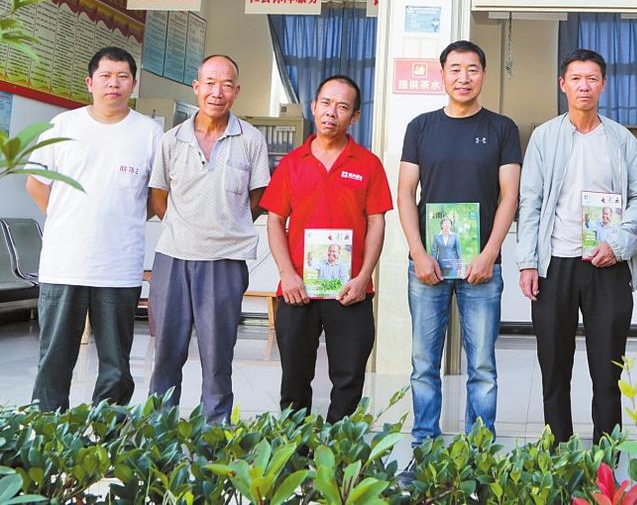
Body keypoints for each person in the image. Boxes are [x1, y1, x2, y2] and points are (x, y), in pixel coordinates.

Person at [517, 48, 637, 444]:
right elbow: (530, 202)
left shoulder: (622, 140)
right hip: (555, 264)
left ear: (604, 85)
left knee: (607, 369)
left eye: (592, 78)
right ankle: (559, 450)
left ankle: (606, 452)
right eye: (576, 78)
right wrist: (527, 262)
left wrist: (618, 243)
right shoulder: (545, 137)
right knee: (554, 366)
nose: (584, 86)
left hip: (606, 264)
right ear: (563, 84)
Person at [399, 40, 521, 455]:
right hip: (427, 265)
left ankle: (478, 451)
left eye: (472, 69)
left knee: (482, 365)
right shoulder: (420, 127)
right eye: (455, 69)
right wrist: (418, 253)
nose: (463, 77)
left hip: (481, 267)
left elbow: (509, 196)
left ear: (483, 75)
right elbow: (405, 193)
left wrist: (489, 253)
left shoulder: (502, 128)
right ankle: (424, 447)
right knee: (423, 364)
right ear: (442, 75)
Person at [27, 47, 162, 411]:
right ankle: (49, 428)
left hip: (119, 267)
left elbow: (155, 197)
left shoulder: (150, 133)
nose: (113, 84)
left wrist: (120, 220)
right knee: (55, 358)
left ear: (133, 84)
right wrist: (68, 220)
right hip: (64, 264)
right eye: (105, 76)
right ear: (90, 83)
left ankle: (107, 431)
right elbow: (36, 184)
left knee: (116, 364)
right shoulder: (62, 126)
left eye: (122, 77)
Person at [261, 75, 392, 423]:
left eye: (342, 107)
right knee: (294, 381)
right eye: (326, 103)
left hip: (350, 291)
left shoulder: (368, 164)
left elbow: (377, 223)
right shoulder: (292, 163)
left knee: (349, 379)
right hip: (298, 291)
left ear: (355, 116)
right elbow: (275, 221)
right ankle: (294, 450)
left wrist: (364, 277)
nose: (332, 112)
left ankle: (338, 449)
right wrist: (287, 275)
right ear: (314, 106)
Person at [148, 54, 270, 424]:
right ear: (196, 87)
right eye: (210, 83)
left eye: (226, 85)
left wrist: (227, 226)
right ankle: (160, 429)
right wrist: (184, 228)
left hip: (225, 261)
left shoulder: (251, 139)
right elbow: (158, 195)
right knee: (166, 351)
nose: (218, 92)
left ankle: (214, 431)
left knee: (218, 356)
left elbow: (259, 197)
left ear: (236, 91)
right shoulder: (171, 140)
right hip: (173, 258)